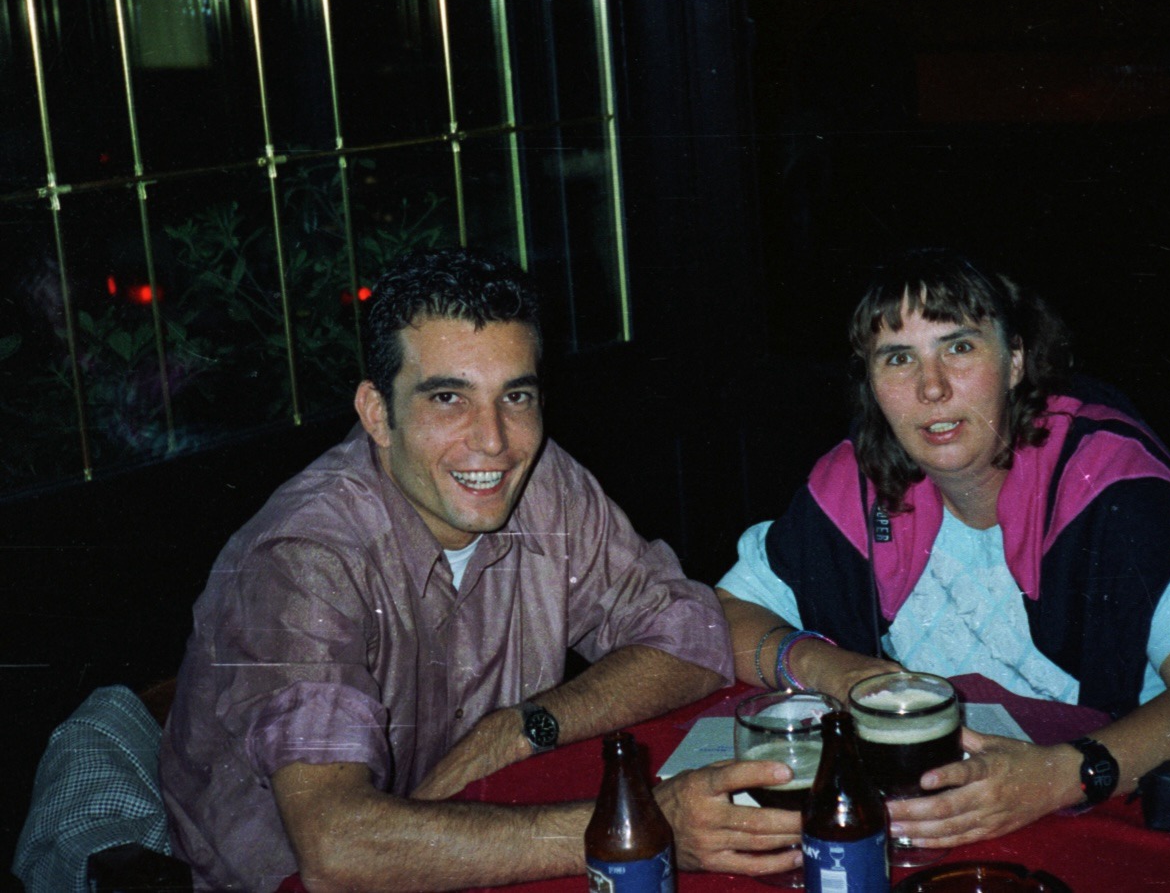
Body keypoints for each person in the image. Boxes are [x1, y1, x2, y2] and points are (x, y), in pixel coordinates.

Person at [160, 248, 800, 892]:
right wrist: (635, 824)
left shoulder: (542, 482)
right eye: (448, 398)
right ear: (377, 413)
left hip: (481, 847)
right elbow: (336, 847)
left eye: (515, 396)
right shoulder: (305, 558)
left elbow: (691, 636)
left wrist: (519, 729)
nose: (493, 440)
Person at [717, 247, 1170, 849]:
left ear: (1015, 361)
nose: (931, 388)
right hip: (941, 820)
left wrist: (1058, 776)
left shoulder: (1110, 483)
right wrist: (833, 669)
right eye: (898, 358)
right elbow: (723, 615)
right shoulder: (854, 486)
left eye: (958, 347)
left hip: (1103, 803)